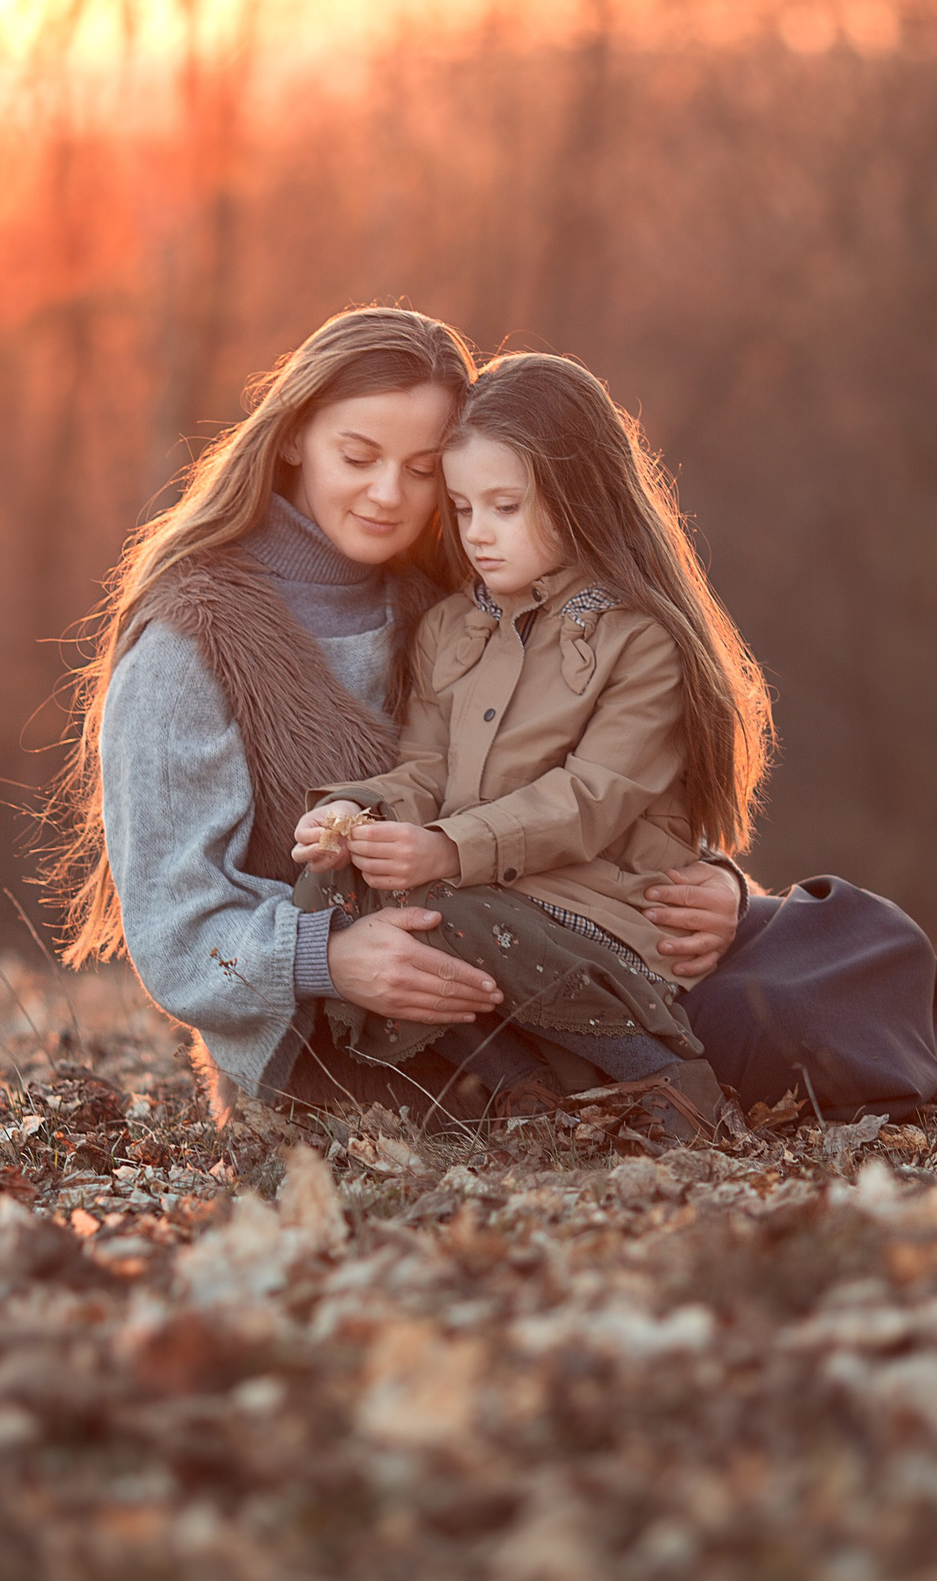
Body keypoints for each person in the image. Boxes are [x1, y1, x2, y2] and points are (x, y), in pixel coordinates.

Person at [46, 307, 748, 1121]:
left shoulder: (457, 605)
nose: (389, 494)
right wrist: (330, 959)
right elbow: (176, 933)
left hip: (544, 973)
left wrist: (717, 887)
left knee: (817, 979)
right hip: (332, 1065)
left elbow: (594, 783)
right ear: (292, 436)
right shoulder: (190, 639)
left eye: (422, 471)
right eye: (358, 456)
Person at [288, 353, 770, 1141]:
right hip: (490, 904)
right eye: (464, 507)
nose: (478, 534)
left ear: (579, 496)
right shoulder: (451, 629)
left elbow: (587, 801)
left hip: (600, 916)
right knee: (328, 894)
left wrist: (444, 849)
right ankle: (525, 1089)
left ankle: (661, 1072)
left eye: (505, 506)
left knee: (434, 908)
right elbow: (429, 769)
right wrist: (356, 815)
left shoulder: (639, 642)